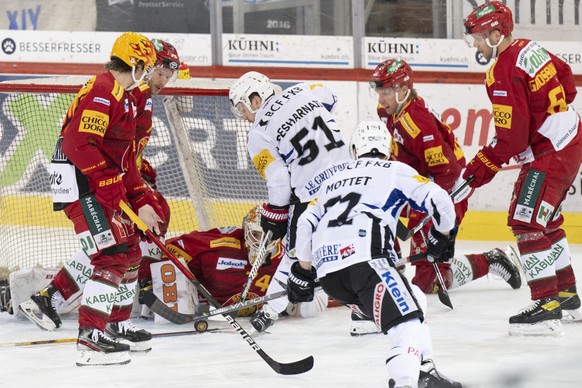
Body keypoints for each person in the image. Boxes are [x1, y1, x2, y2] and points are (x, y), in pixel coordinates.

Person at [18, 39, 181, 346]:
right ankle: (89, 332)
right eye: (153, 69)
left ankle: (114, 322)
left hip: (93, 180)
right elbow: (78, 144)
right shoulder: (110, 92)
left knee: (129, 250)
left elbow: (123, 155)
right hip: (82, 182)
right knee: (110, 254)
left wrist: (140, 195)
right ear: (138, 66)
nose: (157, 79)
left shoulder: (127, 95)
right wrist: (110, 183)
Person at [288, 121, 462, 387]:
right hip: (366, 263)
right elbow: (440, 199)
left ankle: (423, 371)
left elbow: (305, 222)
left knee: (414, 298)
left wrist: (303, 271)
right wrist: (443, 237)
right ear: (388, 150)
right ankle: (405, 381)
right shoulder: (394, 170)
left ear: (355, 150)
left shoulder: (332, 178)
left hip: (331, 277)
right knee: (407, 324)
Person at [463, 1, 582, 335]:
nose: (475, 44)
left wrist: (483, 164)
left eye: (478, 37)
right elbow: (567, 82)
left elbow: (512, 140)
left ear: (497, 33)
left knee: (525, 220)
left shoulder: (502, 71)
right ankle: (567, 295)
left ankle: (547, 304)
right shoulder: (530, 47)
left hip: (551, 151)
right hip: (570, 138)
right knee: (546, 220)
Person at [370, 60, 522, 295]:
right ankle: (390, 269)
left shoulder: (418, 123)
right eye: (379, 91)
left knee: (429, 284)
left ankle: (493, 260)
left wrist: (436, 217)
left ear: (403, 90)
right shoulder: (387, 111)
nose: (380, 99)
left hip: (446, 192)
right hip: (415, 189)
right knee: (372, 208)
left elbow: (448, 173)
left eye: (386, 92)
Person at [229, 72, 349, 332]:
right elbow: (330, 97)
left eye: (243, 109)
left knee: (295, 253)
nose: (245, 118)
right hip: (349, 182)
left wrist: (276, 213)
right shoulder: (306, 89)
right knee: (355, 244)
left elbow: (280, 181)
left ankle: (269, 312)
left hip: (314, 195)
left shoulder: (258, 132)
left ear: (256, 99)